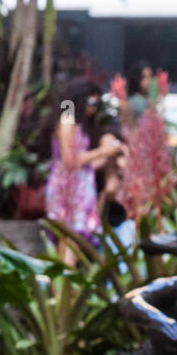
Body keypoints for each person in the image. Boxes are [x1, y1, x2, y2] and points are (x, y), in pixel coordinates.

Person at [45, 81, 125, 261]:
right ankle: (64, 285)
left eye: (97, 104)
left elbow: (83, 164)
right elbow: (69, 161)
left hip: (81, 188)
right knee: (71, 236)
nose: (94, 109)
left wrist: (110, 158)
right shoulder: (67, 114)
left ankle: (67, 284)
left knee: (76, 239)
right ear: (79, 99)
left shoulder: (78, 123)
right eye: (91, 102)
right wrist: (102, 152)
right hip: (67, 189)